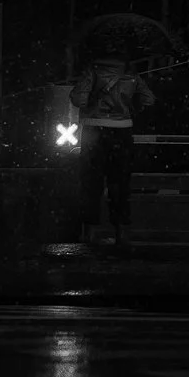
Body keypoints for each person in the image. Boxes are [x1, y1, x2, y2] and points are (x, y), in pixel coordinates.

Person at [70, 54, 155, 248]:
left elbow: (78, 99)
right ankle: (120, 231)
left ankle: (89, 231)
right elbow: (149, 99)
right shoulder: (131, 73)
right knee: (120, 182)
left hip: (94, 130)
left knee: (91, 182)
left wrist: (93, 102)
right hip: (122, 131)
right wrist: (128, 107)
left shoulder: (93, 71)